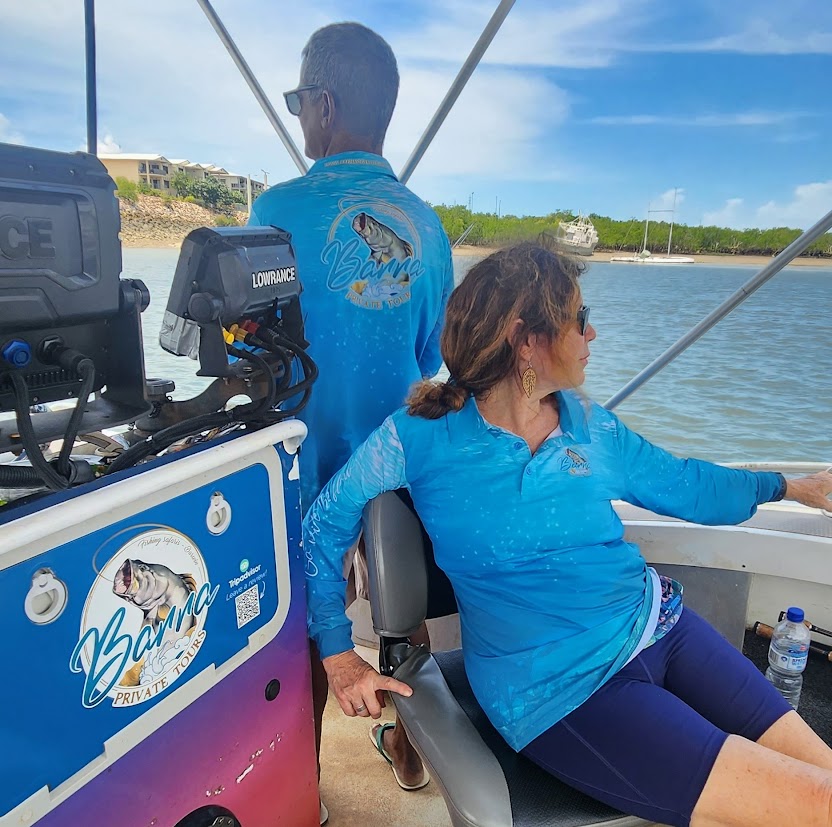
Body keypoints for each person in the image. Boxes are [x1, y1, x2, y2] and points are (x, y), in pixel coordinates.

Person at [303, 243, 832, 827]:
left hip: (660, 624)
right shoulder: (417, 438)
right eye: (580, 319)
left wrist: (792, 487)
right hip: (556, 687)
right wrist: (336, 652)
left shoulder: (589, 425)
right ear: (524, 338)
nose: (593, 333)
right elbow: (326, 520)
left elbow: (686, 485)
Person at [249, 21, 452, 823]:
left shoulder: (273, 210)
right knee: (403, 614)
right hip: (395, 468)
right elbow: (429, 350)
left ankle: (302, 789)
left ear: (325, 105)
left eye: (301, 100)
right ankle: (409, 754)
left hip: (298, 469)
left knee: (302, 632)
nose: (301, 115)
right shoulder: (427, 224)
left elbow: (238, 357)